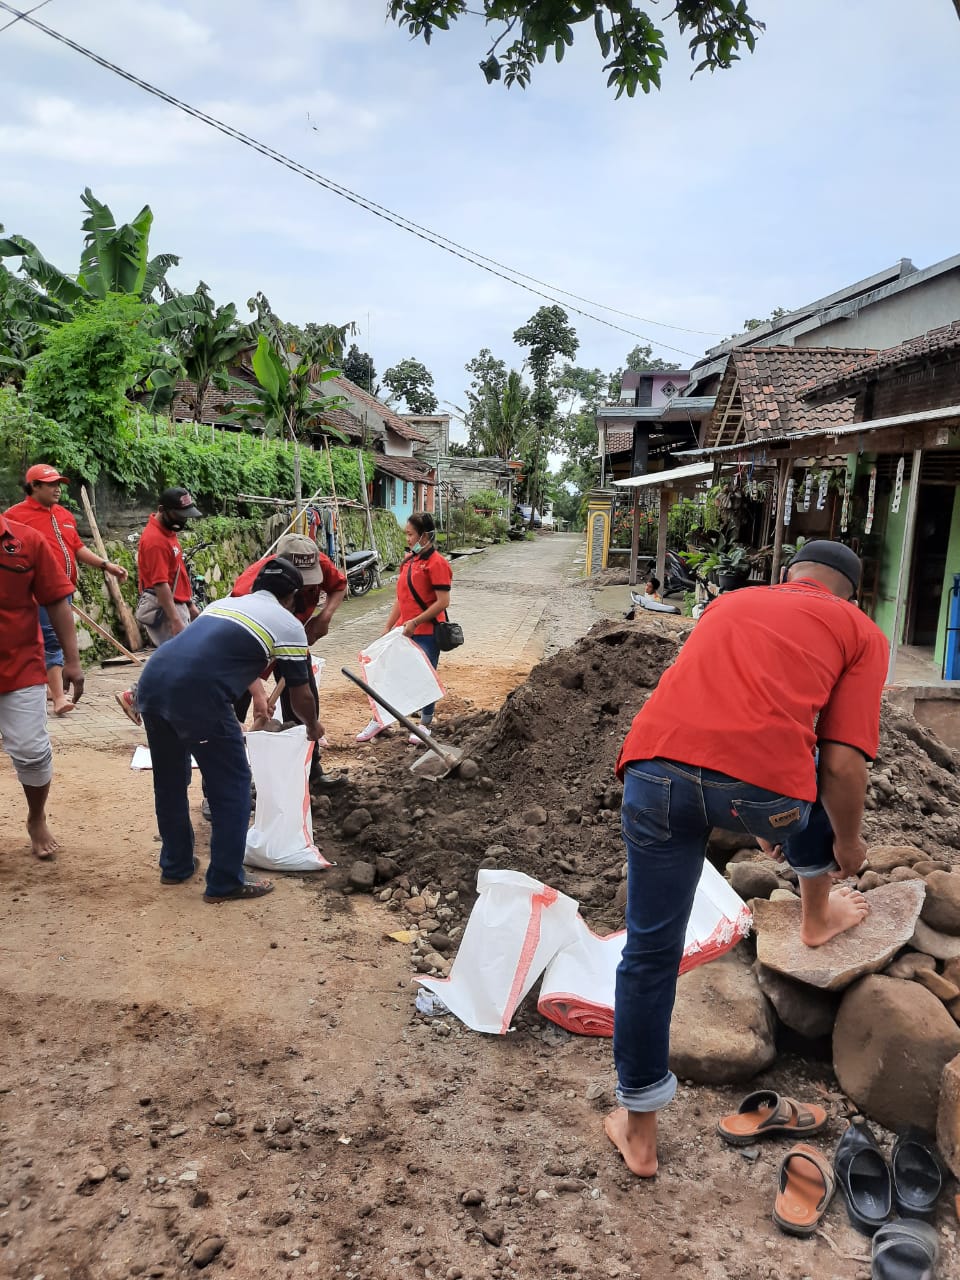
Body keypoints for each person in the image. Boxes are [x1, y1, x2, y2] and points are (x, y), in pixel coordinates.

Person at [604, 540, 888, 1180]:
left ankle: (640, 1133)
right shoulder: (861, 633)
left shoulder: (729, 604)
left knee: (649, 954)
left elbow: (718, 707)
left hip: (653, 773)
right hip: (765, 795)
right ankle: (818, 917)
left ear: (788, 577)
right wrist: (846, 843)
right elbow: (842, 763)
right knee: (815, 789)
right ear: (851, 594)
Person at [137, 557, 322, 904]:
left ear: (257, 586)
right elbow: (301, 693)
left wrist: (256, 692)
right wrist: (312, 725)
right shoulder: (289, 624)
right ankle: (225, 879)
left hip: (152, 682)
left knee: (170, 782)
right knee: (233, 784)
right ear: (292, 596)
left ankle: (176, 865)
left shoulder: (225, 605)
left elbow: (215, 654)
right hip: (199, 696)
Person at [5, 463, 127, 715]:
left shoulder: (64, 515)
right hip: (35, 592)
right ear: (33, 486)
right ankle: (60, 698)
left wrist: (107, 565)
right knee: (52, 640)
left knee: (49, 640)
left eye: (58, 484)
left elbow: (78, 549)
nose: (57, 489)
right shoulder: (14, 516)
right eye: (50, 484)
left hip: (64, 591)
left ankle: (51, 688)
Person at [231, 533, 347, 788]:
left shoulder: (314, 559)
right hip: (249, 650)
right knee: (232, 714)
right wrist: (259, 694)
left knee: (306, 702)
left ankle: (310, 770)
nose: (306, 587)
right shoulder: (247, 590)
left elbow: (339, 586)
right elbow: (237, 654)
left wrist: (324, 617)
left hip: (293, 641)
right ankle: (219, 789)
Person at [0, 509, 84, 859]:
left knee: (32, 752)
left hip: (20, 666)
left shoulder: (27, 541)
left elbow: (56, 602)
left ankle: (36, 818)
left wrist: (73, 661)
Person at [356, 512, 451, 745]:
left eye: (411, 534)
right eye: (406, 534)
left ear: (425, 536)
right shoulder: (409, 561)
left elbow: (442, 602)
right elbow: (401, 597)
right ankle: (380, 719)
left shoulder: (437, 563)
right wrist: (389, 624)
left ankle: (425, 724)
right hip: (404, 630)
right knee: (388, 674)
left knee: (424, 677)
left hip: (427, 631)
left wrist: (416, 621)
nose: (407, 539)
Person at [116, 487, 202, 725]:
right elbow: (161, 584)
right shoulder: (154, 540)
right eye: (180, 514)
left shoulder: (167, 532)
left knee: (175, 660)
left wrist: (190, 605)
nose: (183, 519)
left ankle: (144, 698)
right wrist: (175, 619)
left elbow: (178, 574)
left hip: (178, 603)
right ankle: (136, 696)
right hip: (166, 607)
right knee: (177, 660)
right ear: (163, 510)